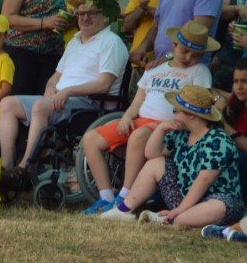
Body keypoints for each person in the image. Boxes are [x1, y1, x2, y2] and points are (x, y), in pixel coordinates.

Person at [80, 20, 216, 214]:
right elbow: (137, 102)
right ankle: (105, 197)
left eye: (195, 55)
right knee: (91, 138)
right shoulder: (155, 68)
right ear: (174, 46)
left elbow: (199, 103)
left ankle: (124, 197)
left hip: (170, 125)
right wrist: (127, 116)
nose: (188, 57)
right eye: (184, 51)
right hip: (140, 119)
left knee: (139, 135)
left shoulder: (199, 71)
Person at [0, 0, 129, 173]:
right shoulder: (75, 41)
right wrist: (50, 88)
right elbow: (55, 76)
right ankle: (6, 167)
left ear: (105, 16)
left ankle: (25, 168)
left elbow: (103, 85)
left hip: (90, 104)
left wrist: (67, 92)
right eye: (81, 14)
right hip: (62, 99)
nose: (85, 18)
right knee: (8, 103)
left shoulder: (111, 42)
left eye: (91, 13)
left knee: (40, 107)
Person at [100, 85, 243, 227]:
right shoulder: (181, 133)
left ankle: (170, 220)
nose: (173, 114)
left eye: (176, 110)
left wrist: (179, 210)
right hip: (184, 197)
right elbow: (151, 154)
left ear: (191, 114)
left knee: (218, 207)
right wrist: (161, 130)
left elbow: (204, 181)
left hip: (215, 199)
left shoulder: (218, 140)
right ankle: (124, 210)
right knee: (155, 162)